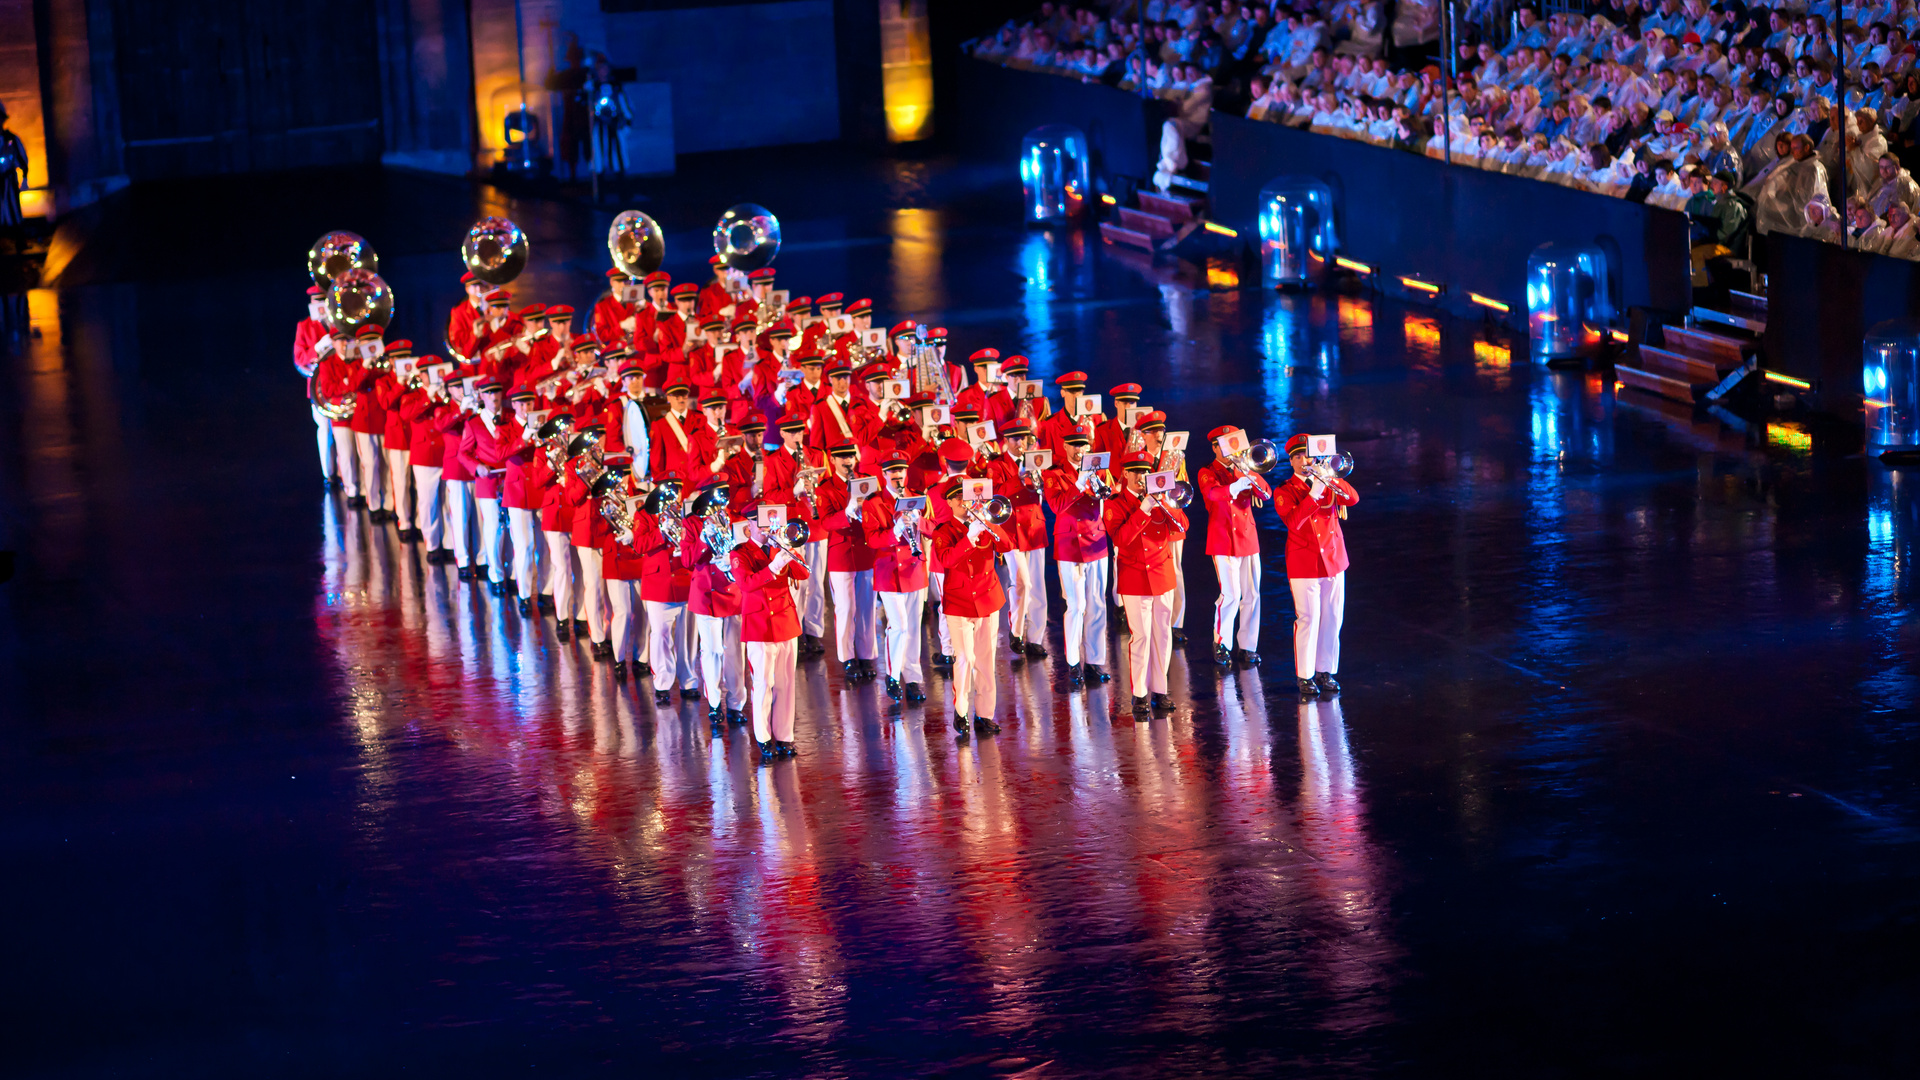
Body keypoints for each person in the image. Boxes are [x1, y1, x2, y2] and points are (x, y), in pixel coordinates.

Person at [1272, 435, 1360, 698]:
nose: (1304, 461)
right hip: (1304, 562)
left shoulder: (1327, 480)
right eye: (1298, 457)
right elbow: (1294, 521)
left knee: (1333, 617)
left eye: (1307, 456)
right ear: (1291, 461)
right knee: (1308, 619)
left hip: (1333, 559)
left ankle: (1326, 670)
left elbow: (1352, 498)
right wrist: (1314, 492)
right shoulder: (1285, 490)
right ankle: (1305, 675)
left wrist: (1331, 477)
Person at [1106, 451, 1190, 718]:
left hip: (1162, 574)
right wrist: (1143, 509)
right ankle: (1140, 693)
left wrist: (1168, 504)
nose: (1142, 477)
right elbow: (1121, 539)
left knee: (1163, 634)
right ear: (1126, 475)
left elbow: (1182, 528)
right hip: (1135, 578)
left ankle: (1160, 690)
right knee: (1140, 637)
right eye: (1137, 472)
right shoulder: (1115, 504)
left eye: (1145, 472)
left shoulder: (1161, 498)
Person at [934, 477, 1016, 736]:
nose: (963, 502)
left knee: (985, 660)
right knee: (965, 659)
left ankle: (985, 715)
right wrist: (968, 538)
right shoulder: (943, 530)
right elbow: (946, 559)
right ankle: (961, 712)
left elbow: (1007, 545)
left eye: (966, 496)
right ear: (948, 502)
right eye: (957, 497)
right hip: (959, 603)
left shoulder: (984, 522)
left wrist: (989, 522)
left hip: (987, 598)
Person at [735, 522, 811, 760]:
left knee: (787, 683)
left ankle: (785, 735)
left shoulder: (779, 547)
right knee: (763, 682)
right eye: (761, 523)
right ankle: (764, 736)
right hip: (760, 623)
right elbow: (746, 584)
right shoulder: (740, 552)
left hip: (785, 619)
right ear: (750, 526)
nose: (767, 528)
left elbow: (804, 573)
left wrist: (788, 550)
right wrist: (774, 567)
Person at [1198, 425, 1273, 666]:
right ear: (1215, 447)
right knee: (1230, 595)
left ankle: (1248, 645)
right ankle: (1221, 642)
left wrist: (1247, 472)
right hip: (1222, 539)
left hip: (1247, 537)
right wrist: (1234, 486)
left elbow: (1266, 494)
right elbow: (1212, 494)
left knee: (1252, 594)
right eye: (1226, 444)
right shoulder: (1207, 471)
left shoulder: (1243, 468)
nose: (1232, 449)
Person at [1043, 430, 1113, 686]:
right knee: (1075, 606)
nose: (1078, 450)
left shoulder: (1099, 469)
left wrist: (1095, 480)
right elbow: (1057, 506)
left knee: (1097, 604)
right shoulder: (1053, 472)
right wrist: (1079, 482)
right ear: (1064, 446)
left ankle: (1094, 661)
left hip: (1097, 541)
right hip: (1070, 544)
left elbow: (1110, 494)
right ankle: (1074, 663)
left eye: (1082, 445)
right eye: (1073, 445)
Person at [864, 455, 931, 702]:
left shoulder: (918, 498)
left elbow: (934, 528)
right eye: (892, 472)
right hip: (889, 571)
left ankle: (913, 679)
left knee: (913, 629)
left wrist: (919, 521)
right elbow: (872, 540)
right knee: (899, 626)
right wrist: (895, 531)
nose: (897, 476)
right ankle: (892, 675)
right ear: (884, 475)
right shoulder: (874, 503)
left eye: (901, 471)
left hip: (914, 569)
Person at [814, 441, 880, 678]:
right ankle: (847, 658)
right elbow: (826, 522)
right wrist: (847, 512)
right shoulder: (825, 488)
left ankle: (866, 655)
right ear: (832, 460)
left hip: (865, 550)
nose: (847, 461)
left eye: (850, 457)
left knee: (867, 607)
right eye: (841, 458)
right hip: (841, 554)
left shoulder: (867, 481)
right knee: (845, 608)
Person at [293, 287, 337, 490]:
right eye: (315, 301)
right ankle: (328, 474)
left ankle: (346, 475)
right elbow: (299, 359)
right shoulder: (304, 326)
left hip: (338, 385)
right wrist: (318, 347)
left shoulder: (338, 321)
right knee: (324, 429)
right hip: (318, 388)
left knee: (342, 433)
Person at [0, 102, 26, 229]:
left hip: (9, 181)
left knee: (13, 209)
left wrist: (24, 177)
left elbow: (21, 159)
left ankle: (19, 240)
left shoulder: (11, 139)